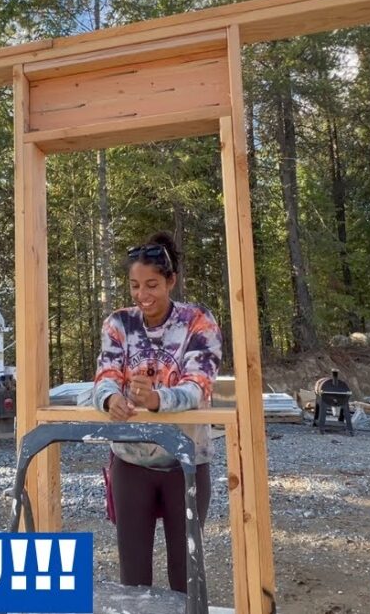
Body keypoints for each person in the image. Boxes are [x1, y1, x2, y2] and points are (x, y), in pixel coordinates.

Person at [88, 231, 221, 593]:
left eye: (152, 285)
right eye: (134, 286)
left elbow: (199, 385)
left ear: (171, 281)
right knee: (132, 575)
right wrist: (109, 399)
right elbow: (106, 374)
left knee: (186, 572)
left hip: (187, 460)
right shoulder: (118, 323)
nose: (142, 296)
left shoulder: (199, 322)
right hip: (130, 461)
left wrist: (157, 400)